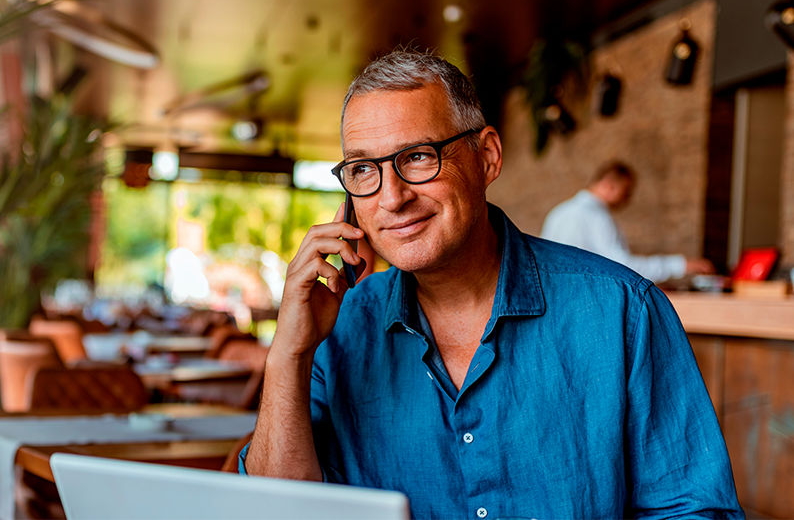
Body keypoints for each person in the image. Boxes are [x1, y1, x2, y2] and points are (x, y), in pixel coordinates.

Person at [241, 50, 742, 519]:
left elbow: (692, 509)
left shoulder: (623, 312)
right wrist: (289, 350)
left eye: (417, 157)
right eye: (364, 169)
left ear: (487, 158)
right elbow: (277, 509)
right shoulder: (341, 326)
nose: (391, 197)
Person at [541, 161, 715, 284]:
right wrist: (680, 265)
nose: (627, 200)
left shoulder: (558, 212)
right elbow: (623, 268)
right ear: (609, 185)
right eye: (626, 192)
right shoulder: (597, 216)